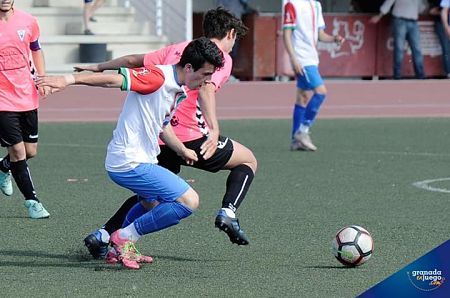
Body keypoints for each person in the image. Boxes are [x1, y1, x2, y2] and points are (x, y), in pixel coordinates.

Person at [75, 8, 255, 261]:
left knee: (152, 196)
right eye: (235, 38)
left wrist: (98, 66)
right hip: (189, 136)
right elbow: (206, 90)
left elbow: (132, 61)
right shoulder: (220, 58)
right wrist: (214, 130)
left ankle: (103, 236)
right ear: (230, 33)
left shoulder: (178, 48)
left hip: (158, 138)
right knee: (247, 161)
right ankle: (228, 212)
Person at [37, 37, 225, 269]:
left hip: (140, 159)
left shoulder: (178, 87)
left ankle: (116, 247)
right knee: (188, 201)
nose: (208, 81)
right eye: (205, 74)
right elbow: (113, 80)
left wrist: (181, 149)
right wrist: (68, 79)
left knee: (151, 203)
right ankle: (125, 237)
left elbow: (162, 125)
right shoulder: (158, 77)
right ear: (188, 67)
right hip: (129, 161)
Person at [0, 0, 51, 219]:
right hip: (2, 99)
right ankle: (33, 202)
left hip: (26, 95)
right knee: (18, 151)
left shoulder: (29, 21)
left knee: (30, 152)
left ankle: (3, 167)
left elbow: (36, 50)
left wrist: (43, 78)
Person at [282, 0, 344, 151]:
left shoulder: (316, 5)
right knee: (321, 92)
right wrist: (293, 58)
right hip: (302, 59)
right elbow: (287, 33)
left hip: (311, 57)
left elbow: (320, 34)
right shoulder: (292, 4)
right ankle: (303, 131)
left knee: (302, 97)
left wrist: (333, 38)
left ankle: (295, 141)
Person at [370, 0, 426, 80]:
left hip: (412, 21)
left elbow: (421, 8)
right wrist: (379, 15)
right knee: (400, 49)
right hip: (400, 20)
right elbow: (388, 3)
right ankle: (398, 75)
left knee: (416, 49)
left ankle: (420, 75)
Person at [429, 0, 450, 78]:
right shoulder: (442, 2)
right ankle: (449, 72)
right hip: (442, 24)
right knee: (446, 49)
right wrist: (446, 27)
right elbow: (432, 11)